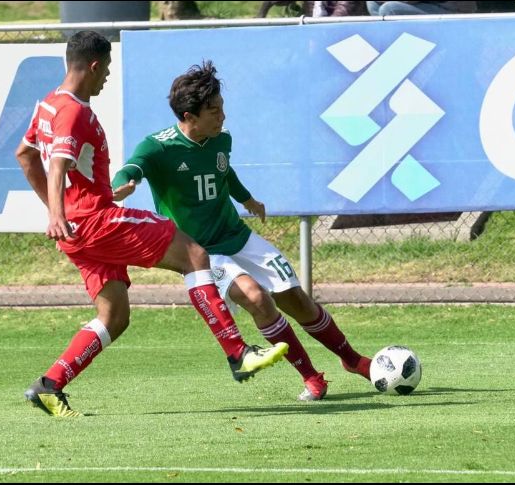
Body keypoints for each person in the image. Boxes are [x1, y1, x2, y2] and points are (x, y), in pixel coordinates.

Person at [15, 32, 289, 417]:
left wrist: (60, 211)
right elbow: (57, 162)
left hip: (78, 230)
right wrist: (58, 212)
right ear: (94, 66)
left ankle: (49, 385)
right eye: (106, 69)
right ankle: (237, 352)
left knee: (115, 318)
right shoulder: (74, 111)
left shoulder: (46, 105)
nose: (106, 77)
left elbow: (25, 155)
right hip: (96, 220)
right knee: (194, 253)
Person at [111, 61, 372, 401]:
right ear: (189, 116)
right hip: (201, 252)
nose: (222, 117)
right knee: (255, 297)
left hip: (238, 236)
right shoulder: (158, 146)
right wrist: (125, 183)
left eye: (222, 108)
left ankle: (351, 360)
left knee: (298, 301)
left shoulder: (221, 140)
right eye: (214, 111)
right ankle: (312, 377)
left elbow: (224, 172)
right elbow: (132, 167)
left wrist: (248, 199)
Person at [367, 1, 477, 15]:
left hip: (452, 12)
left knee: (389, 8)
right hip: (425, 5)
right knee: (373, 3)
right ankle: (389, 45)